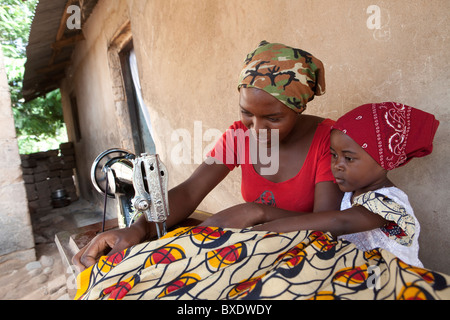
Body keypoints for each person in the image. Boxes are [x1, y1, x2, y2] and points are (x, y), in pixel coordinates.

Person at [73, 41, 343, 271]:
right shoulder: (240, 135)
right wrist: (140, 227)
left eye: (274, 118)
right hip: (255, 249)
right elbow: (191, 191)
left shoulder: (327, 140)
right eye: (247, 113)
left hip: (310, 254)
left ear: (300, 106)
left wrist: (256, 211)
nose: (257, 129)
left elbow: (328, 220)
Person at [234, 102, 439, 267]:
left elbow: (339, 222)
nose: (337, 166)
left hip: (395, 284)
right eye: (333, 155)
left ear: (384, 161)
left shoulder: (390, 201)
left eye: (348, 159)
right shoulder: (350, 194)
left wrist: (253, 235)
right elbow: (321, 221)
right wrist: (257, 213)